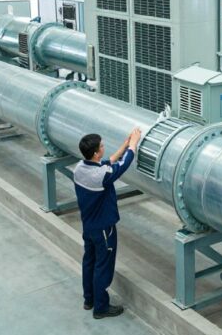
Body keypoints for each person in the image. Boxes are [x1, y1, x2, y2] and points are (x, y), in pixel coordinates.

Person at [73, 127, 141, 319]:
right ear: (96, 152)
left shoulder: (80, 168)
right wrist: (133, 146)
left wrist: (124, 144)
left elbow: (108, 162)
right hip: (104, 229)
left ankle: (89, 299)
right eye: (102, 146)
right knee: (103, 266)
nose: (104, 147)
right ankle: (101, 307)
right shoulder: (101, 176)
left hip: (88, 227)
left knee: (89, 261)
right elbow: (122, 165)